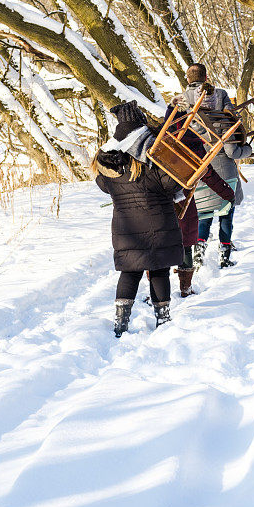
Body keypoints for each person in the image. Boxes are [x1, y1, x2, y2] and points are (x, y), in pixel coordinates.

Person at [94, 101, 185, 338]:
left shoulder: (110, 164)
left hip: (127, 229)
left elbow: (102, 184)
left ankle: (121, 321)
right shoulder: (150, 160)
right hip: (159, 226)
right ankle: (163, 318)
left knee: (130, 272)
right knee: (159, 271)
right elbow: (170, 184)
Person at [181, 64, 253, 269]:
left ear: (188, 79)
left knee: (203, 214)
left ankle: (199, 253)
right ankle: (224, 254)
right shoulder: (220, 95)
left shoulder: (182, 100)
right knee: (225, 214)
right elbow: (231, 141)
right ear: (206, 77)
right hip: (224, 170)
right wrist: (247, 149)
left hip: (198, 169)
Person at [163, 104, 235, 296]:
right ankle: (185, 288)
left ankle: (158, 292)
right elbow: (207, 174)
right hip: (182, 203)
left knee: (160, 245)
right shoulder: (191, 142)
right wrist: (227, 193)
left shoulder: (160, 141)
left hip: (158, 203)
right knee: (185, 243)